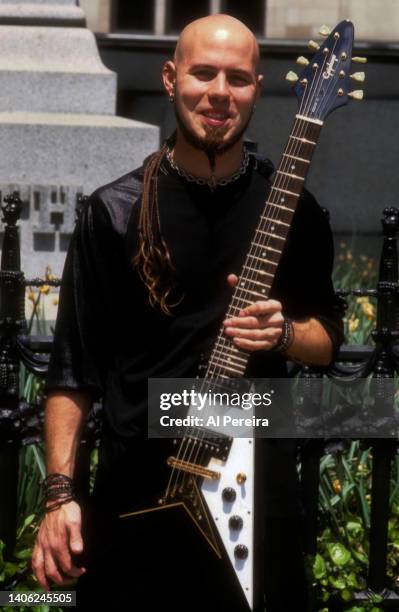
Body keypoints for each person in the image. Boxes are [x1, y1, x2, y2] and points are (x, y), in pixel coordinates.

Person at [31, 14, 344, 612]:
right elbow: (74, 368)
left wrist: (283, 334)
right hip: (138, 496)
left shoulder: (297, 212)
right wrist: (58, 496)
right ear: (171, 79)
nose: (220, 93)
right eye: (203, 74)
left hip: (258, 501)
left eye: (239, 78)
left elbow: (329, 338)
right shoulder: (114, 213)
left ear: (258, 87)